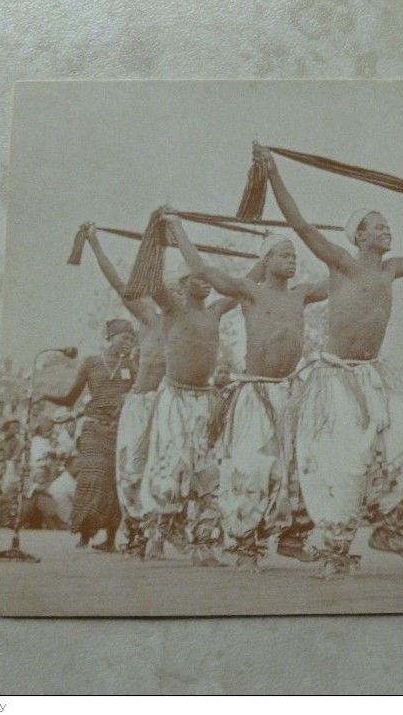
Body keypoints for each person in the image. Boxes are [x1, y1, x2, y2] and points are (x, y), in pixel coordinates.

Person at [254, 142, 403, 578]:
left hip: (374, 376)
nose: (388, 232)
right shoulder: (342, 264)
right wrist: (272, 174)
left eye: (388, 226)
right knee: (343, 467)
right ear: (359, 236)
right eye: (378, 226)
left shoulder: (391, 269)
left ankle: (388, 526)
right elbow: (300, 224)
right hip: (334, 377)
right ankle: (333, 549)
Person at [169, 218, 327, 569]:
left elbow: (346, 279)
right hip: (255, 394)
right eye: (284, 254)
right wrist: (175, 225)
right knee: (251, 469)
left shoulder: (301, 294)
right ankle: (243, 544)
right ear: (266, 261)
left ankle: (292, 537)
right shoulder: (248, 292)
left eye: (294, 255)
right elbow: (201, 267)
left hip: (291, 394)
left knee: (301, 468)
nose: (292, 260)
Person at [138, 212, 250, 566]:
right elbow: (151, 282)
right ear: (183, 285)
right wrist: (159, 235)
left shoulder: (216, 310)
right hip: (173, 398)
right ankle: (156, 534)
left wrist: (264, 254)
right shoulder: (171, 309)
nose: (203, 283)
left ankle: (204, 542)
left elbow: (249, 283)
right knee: (170, 467)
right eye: (194, 280)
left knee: (209, 473)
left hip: (204, 400)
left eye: (205, 280)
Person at [82, 220, 168, 557]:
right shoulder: (148, 318)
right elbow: (119, 282)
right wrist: (94, 242)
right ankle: (136, 534)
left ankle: (159, 534)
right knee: (133, 471)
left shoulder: (187, 317)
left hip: (172, 403)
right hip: (142, 402)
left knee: (168, 470)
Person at [40, 319, 137, 550]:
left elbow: (142, 395)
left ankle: (110, 539)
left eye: (132, 339)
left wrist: (130, 397)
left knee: (116, 482)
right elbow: (70, 399)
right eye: (124, 338)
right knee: (91, 479)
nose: (128, 343)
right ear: (111, 337)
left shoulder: (134, 366)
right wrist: (43, 396)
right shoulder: (91, 363)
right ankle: (85, 535)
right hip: (94, 429)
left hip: (122, 430)